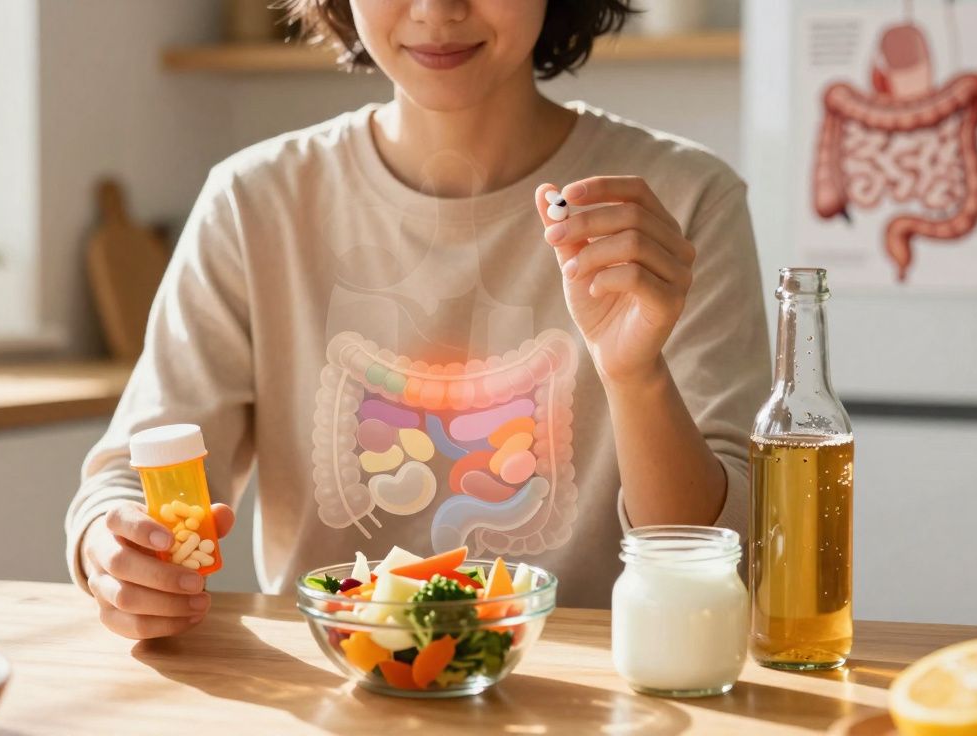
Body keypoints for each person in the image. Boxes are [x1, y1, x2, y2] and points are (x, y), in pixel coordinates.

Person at [66, 0, 769, 639]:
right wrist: (114, 548)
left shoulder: (681, 204)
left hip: (611, 695)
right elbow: (135, 469)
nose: (438, 9)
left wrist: (634, 372)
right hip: (331, 697)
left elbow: (723, 557)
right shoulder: (255, 202)